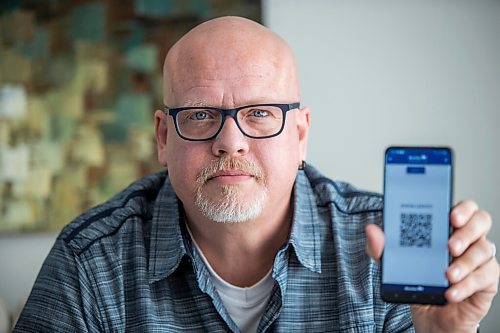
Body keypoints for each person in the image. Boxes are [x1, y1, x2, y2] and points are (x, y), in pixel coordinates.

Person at [14, 16, 499, 333]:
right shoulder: (90, 260)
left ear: (301, 135)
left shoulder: (387, 247)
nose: (231, 141)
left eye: (261, 113)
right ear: (163, 137)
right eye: (201, 114)